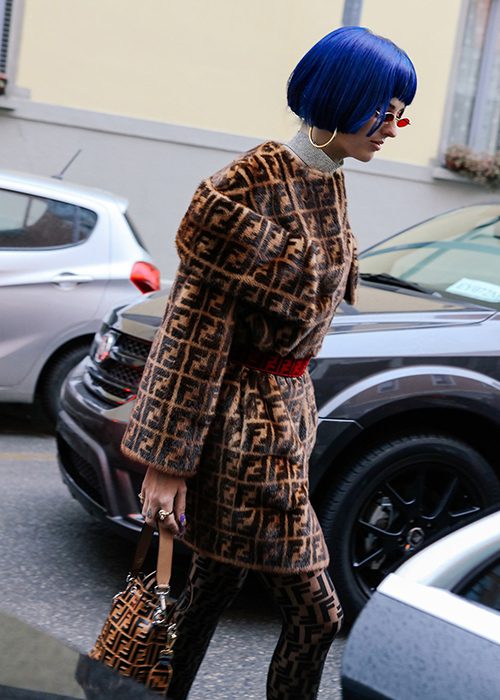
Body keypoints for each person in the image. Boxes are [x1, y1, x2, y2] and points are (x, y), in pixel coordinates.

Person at [121, 25, 417, 700]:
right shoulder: (245, 187)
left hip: (283, 423)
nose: (394, 127)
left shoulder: (328, 178)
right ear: (342, 96)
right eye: (385, 109)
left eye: (401, 112)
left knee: (210, 587)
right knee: (317, 614)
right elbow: (191, 334)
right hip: (244, 434)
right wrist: (166, 463)